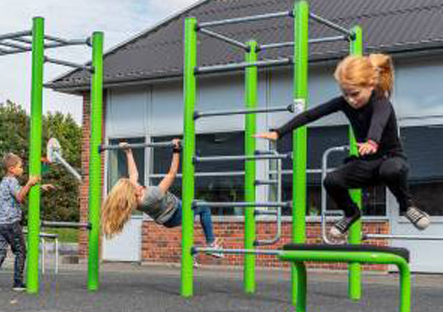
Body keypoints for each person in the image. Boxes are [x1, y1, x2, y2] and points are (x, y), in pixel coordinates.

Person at [254, 53, 430, 239]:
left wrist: (372, 141)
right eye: (345, 94)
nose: (350, 100)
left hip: (391, 159)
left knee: (391, 170)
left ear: (370, 85)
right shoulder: (344, 102)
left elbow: (378, 122)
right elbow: (310, 115)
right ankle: (351, 212)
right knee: (331, 180)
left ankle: (407, 206)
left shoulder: (381, 102)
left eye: (355, 94)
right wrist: (279, 132)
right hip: (367, 163)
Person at [101, 139, 223, 261]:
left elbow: (133, 175)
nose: (137, 183)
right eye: (135, 185)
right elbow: (171, 174)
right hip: (176, 213)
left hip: (167, 217)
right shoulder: (151, 196)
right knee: (203, 206)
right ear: (134, 192)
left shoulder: (133, 199)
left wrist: (128, 152)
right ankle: (211, 244)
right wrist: (176, 150)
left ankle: (192, 253)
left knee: (191, 214)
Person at [0, 153, 53, 292]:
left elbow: (19, 191)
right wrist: (30, 182)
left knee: (0, 252)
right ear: (11, 169)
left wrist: (39, 187)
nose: (22, 169)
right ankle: (18, 282)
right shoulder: (12, 181)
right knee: (21, 251)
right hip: (10, 222)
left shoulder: (5, 181)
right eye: (20, 167)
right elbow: (20, 196)